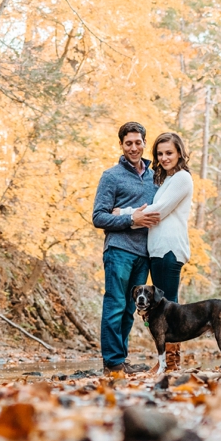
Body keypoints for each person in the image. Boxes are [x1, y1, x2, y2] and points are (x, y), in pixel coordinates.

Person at [113, 131, 194, 369]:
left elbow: (158, 210)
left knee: (168, 309)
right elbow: (154, 207)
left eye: (169, 153)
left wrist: (125, 213)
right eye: (160, 154)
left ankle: (170, 363)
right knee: (161, 310)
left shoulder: (181, 178)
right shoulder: (167, 179)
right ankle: (166, 362)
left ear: (179, 152)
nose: (164, 158)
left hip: (169, 249)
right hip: (158, 250)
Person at [92, 122, 160, 376]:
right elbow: (98, 217)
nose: (134, 147)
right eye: (128, 143)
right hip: (119, 250)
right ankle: (112, 363)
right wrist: (131, 220)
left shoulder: (156, 177)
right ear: (121, 145)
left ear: (144, 143)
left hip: (144, 253)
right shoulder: (111, 176)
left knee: (130, 310)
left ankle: (120, 360)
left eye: (138, 142)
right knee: (116, 305)